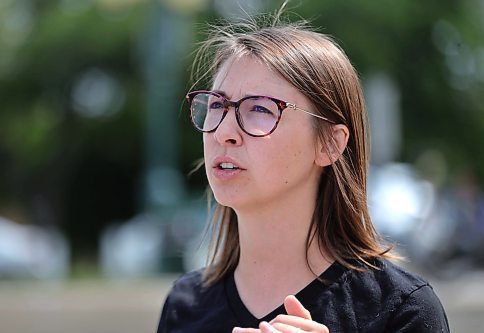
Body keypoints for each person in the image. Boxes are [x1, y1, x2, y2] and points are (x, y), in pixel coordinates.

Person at [157, 9, 450, 333]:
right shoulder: (183, 307)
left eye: (259, 108)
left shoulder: (402, 309)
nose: (224, 130)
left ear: (329, 144)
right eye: (216, 105)